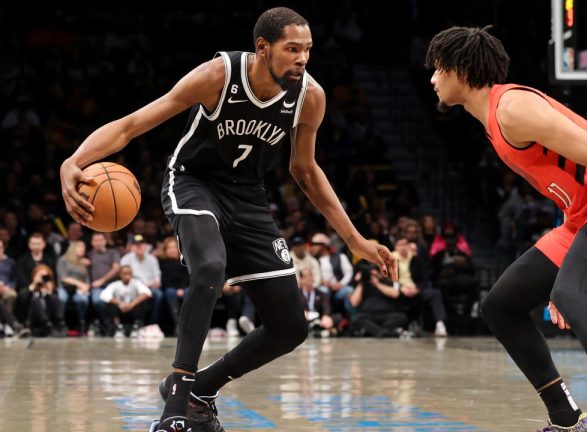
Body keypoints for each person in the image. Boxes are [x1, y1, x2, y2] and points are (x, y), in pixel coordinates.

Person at [59, 7, 397, 432]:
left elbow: (305, 170)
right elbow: (131, 125)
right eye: (292, 49)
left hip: (248, 198)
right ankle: (175, 409)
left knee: (291, 327)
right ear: (262, 48)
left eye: (307, 50)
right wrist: (74, 160)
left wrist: (355, 239)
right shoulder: (218, 75)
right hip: (192, 182)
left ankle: (202, 389)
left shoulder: (311, 97)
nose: (302, 59)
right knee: (210, 269)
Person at [426, 27, 587, 432]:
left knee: (570, 293)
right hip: (584, 213)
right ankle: (567, 417)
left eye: (438, 68)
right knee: (501, 305)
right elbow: (571, 185)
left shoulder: (511, 108)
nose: (433, 78)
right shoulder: (493, 118)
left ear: (459, 69)